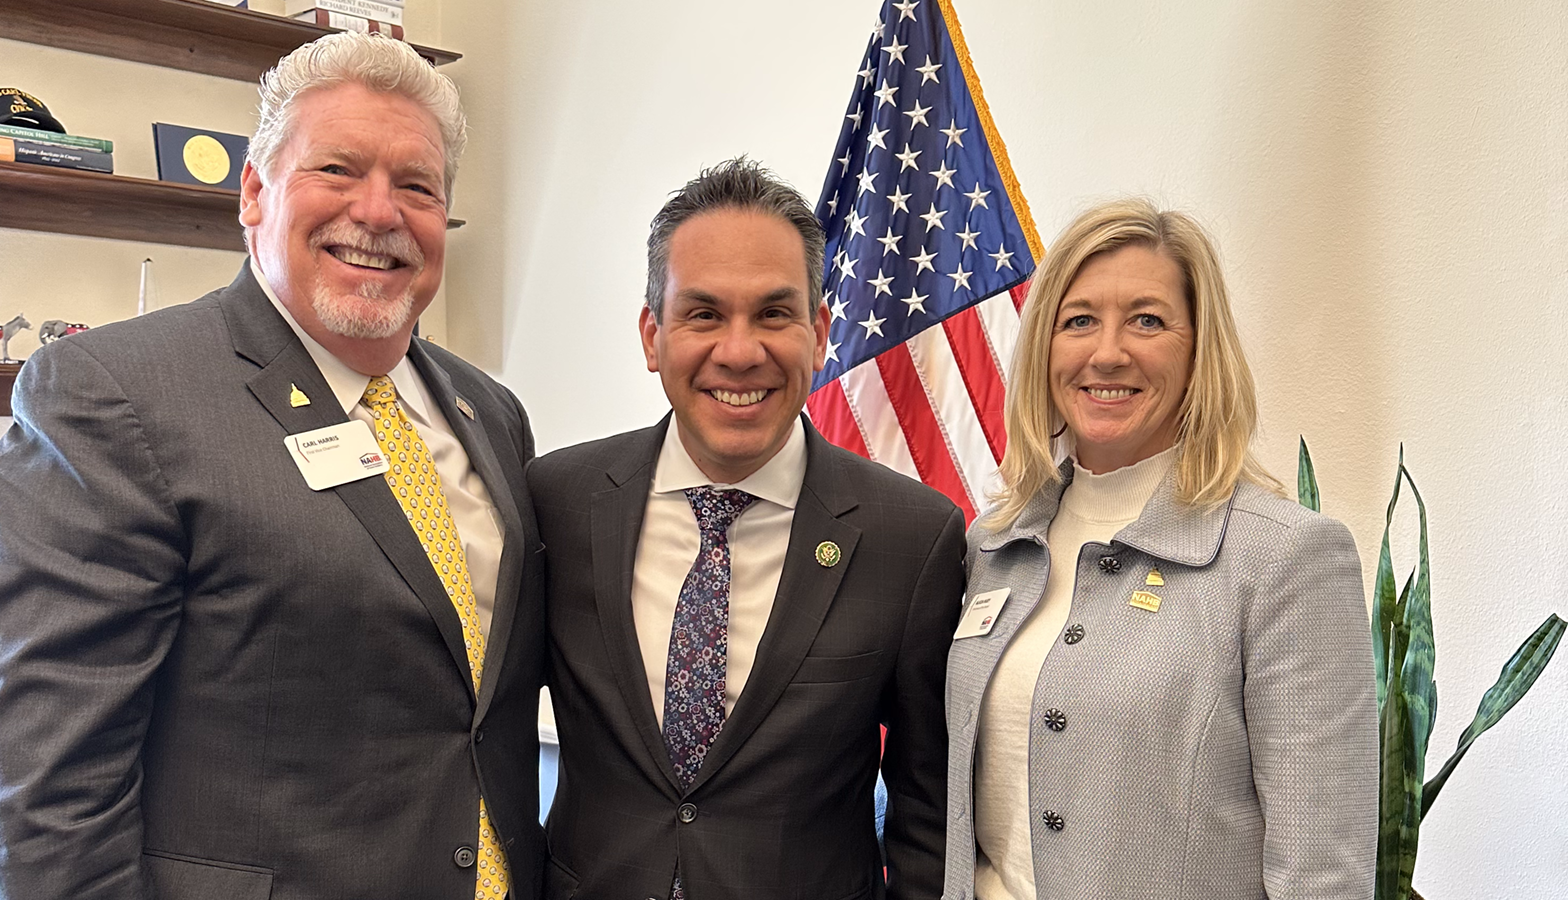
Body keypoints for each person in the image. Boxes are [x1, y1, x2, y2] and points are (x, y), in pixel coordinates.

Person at [0, 32, 545, 900]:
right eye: (337, 170)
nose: (380, 213)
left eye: (417, 186)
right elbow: (46, 779)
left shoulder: (490, 413)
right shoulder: (115, 395)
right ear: (253, 193)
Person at [528, 158, 964, 900]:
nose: (739, 351)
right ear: (652, 335)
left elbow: (930, 808)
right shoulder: (556, 501)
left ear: (819, 332)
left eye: (773, 314)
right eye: (703, 314)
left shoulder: (913, 537)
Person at [942, 199, 1377, 900]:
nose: (1107, 352)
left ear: (1200, 349)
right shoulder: (994, 543)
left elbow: (1322, 874)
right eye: (1078, 320)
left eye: (1147, 320)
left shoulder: (1286, 560)